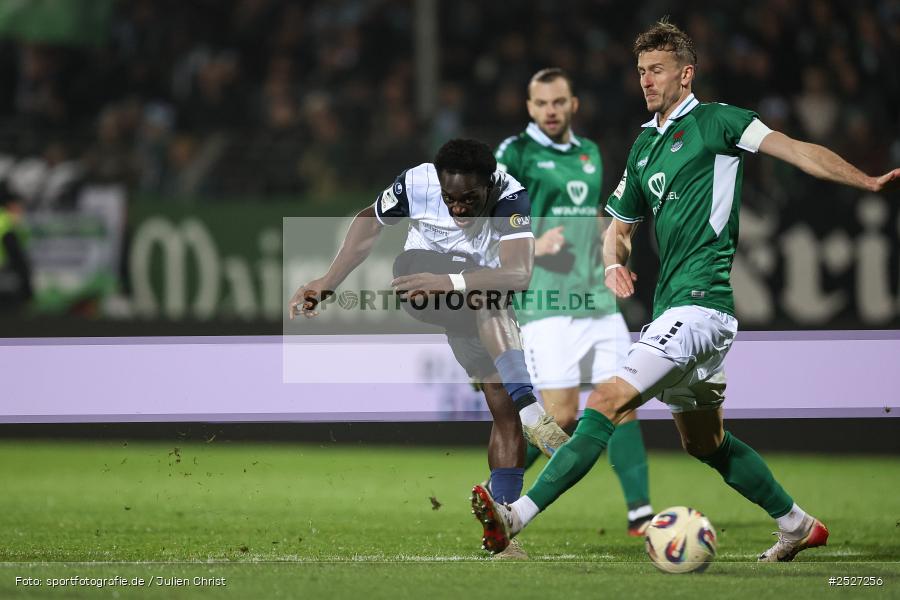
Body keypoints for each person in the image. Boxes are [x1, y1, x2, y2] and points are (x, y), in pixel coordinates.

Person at [471, 18, 900, 562]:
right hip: (675, 308)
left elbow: (795, 150)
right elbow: (618, 230)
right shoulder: (644, 146)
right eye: (641, 71)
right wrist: (612, 264)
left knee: (606, 400)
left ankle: (514, 517)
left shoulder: (721, 123)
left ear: (685, 74)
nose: (646, 80)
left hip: (701, 307)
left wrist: (861, 179)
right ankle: (797, 524)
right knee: (705, 443)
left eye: (657, 70)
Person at [288, 139, 571, 559]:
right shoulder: (416, 181)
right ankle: (534, 410)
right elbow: (371, 220)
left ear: (489, 186)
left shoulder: (511, 196)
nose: (458, 209)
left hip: (468, 301)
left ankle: (503, 530)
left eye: (469, 199)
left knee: (502, 410)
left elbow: (520, 271)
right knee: (489, 296)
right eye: (449, 199)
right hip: (420, 281)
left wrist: (455, 283)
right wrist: (328, 281)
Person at [495, 67, 653, 536]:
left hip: (596, 300)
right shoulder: (515, 152)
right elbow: (487, 214)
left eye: (559, 102)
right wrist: (529, 241)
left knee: (622, 400)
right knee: (560, 416)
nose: (550, 111)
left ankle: (640, 513)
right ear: (529, 107)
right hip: (544, 301)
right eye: (541, 103)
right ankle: (499, 492)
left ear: (573, 105)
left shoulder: (589, 154)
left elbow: (596, 224)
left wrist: (614, 258)